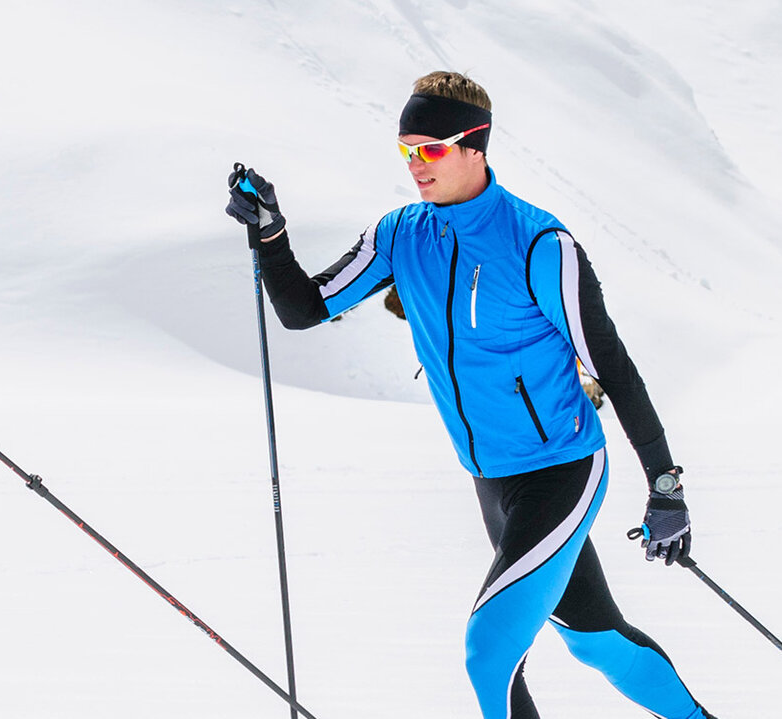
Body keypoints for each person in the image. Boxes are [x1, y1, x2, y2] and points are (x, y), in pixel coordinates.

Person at [224, 72, 712, 719]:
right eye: (406, 150)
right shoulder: (400, 235)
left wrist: (665, 484)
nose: (415, 165)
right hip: (493, 483)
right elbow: (305, 307)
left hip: (562, 469)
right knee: (597, 641)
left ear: (473, 145)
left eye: (429, 149)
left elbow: (614, 368)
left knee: (489, 649)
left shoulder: (539, 243)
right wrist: (271, 235)